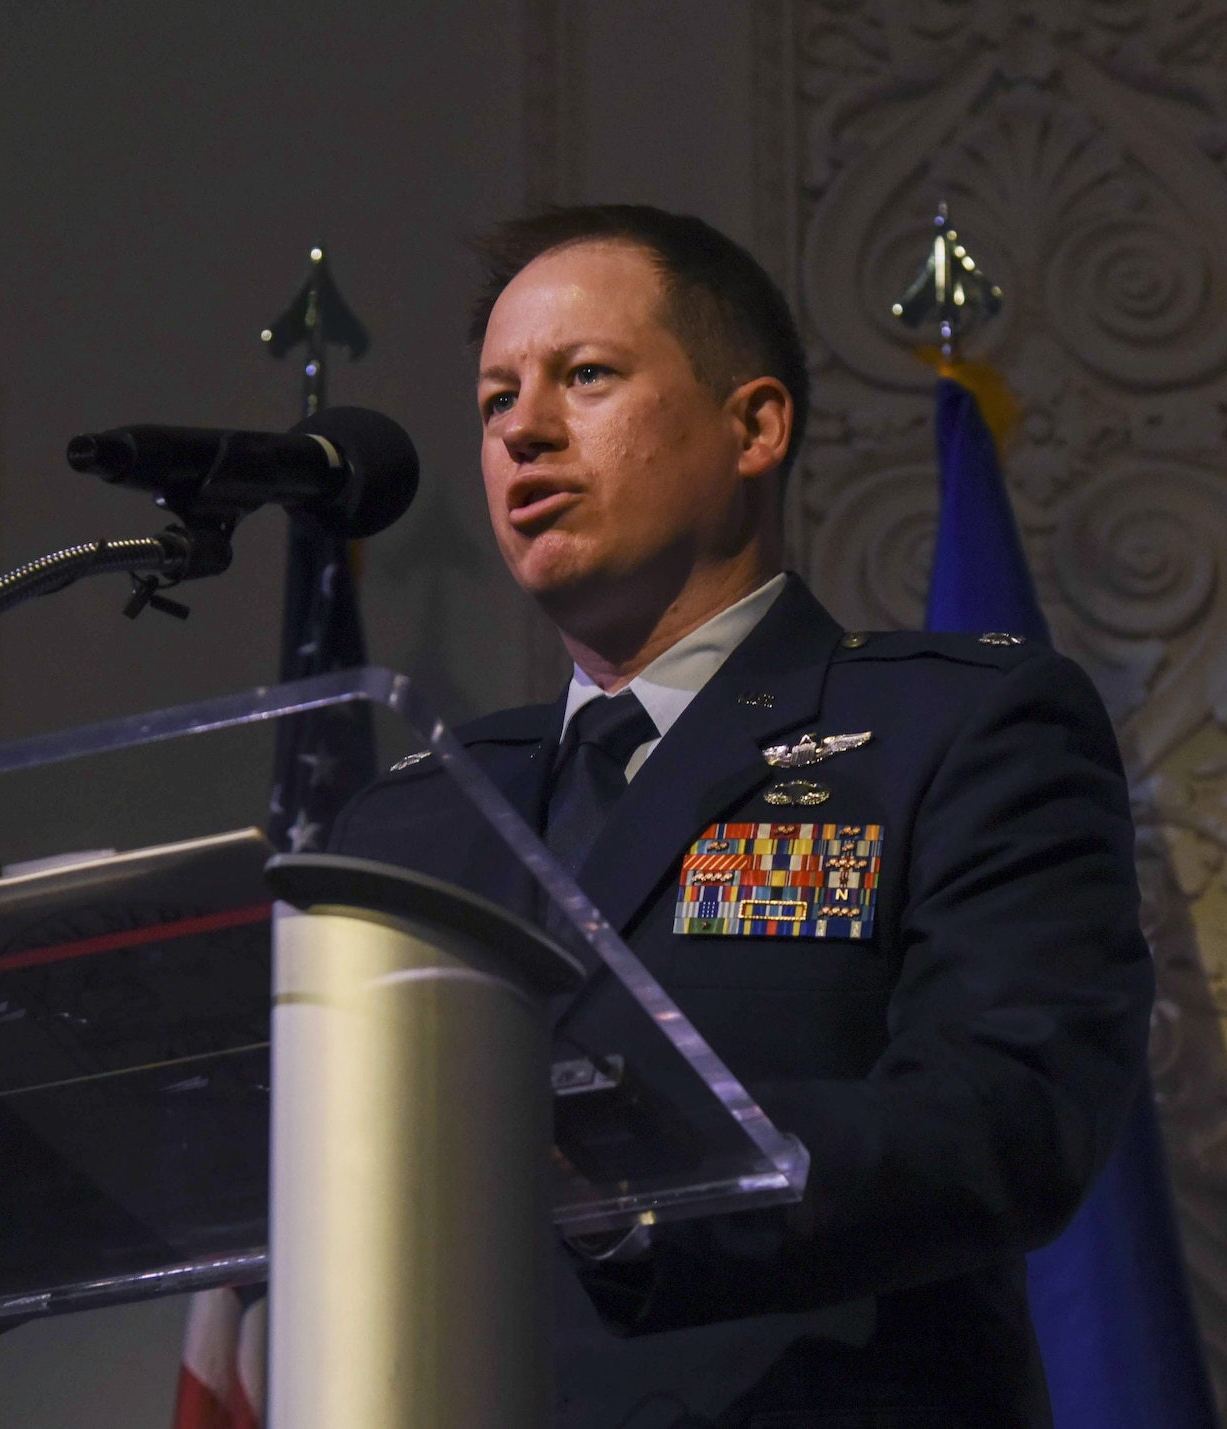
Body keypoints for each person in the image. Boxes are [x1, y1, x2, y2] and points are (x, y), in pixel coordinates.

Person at [327, 205, 1152, 1428]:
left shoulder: (958, 728)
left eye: (584, 375)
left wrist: (624, 1179)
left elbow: (1011, 1114)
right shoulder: (414, 817)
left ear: (753, 424)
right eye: (496, 397)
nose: (523, 430)